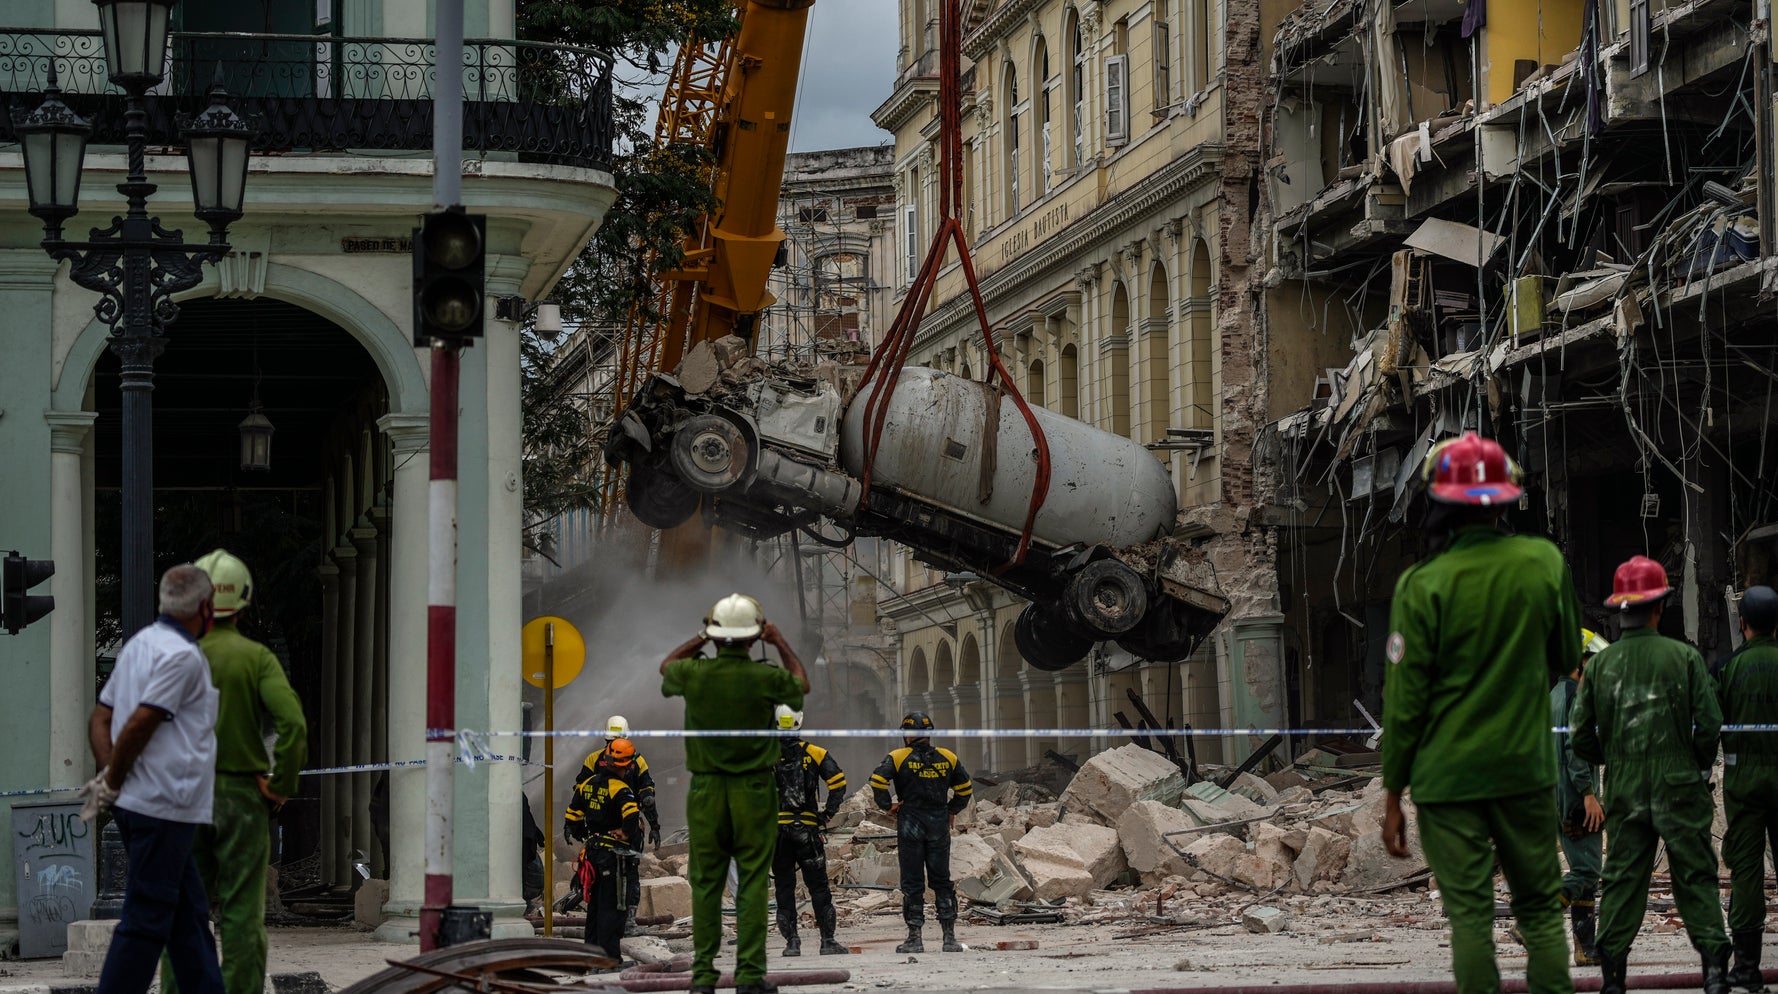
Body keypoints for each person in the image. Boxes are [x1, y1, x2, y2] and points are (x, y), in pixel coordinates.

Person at [1380, 432, 1580, 994]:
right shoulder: (1543, 562)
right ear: (1507, 497)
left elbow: (1404, 704)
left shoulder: (1420, 586)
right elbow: (1567, 658)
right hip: (1524, 772)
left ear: (1437, 502)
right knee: (1540, 911)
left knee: (1469, 919)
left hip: (1448, 782)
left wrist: (1393, 794)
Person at [1570, 555, 1731, 994]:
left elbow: (1580, 738)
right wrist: (1696, 764)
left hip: (1625, 787)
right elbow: (1711, 723)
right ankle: (1715, 974)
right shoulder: (1684, 658)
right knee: (1695, 874)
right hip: (1680, 783)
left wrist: (1614, 757)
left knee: (1623, 878)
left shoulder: (1600, 667)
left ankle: (1613, 979)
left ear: (1620, 611)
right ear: (1660, 606)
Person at [157, 550, 308, 994]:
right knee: (243, 913)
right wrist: (279, 787)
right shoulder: (256, 658)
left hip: (183, 797)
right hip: (242, 798)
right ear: (243, 602)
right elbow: (293, 726)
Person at [80, 565, 225, 994]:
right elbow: (141, 722)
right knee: (146, 921)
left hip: (141, 806)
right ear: (204, 608)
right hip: (164, 806)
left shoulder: (139, 645)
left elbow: (101, 718)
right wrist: (115, 780)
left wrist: (112, 779)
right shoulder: (182, 657)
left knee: (190, 921)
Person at [659, 593, 810, 994]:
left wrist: (700, 637)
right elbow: (800, 685)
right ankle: (748, 975)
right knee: (754, 882)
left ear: (715, 634)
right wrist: (778, 642)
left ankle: (704, 976)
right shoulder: (765, 677)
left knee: (707, 884)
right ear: (755, 635)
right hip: (754, 790)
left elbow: (666, 668)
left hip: (706, 790)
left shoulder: (696, 674)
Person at [1715, 584, 1778, 990]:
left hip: (1744, 786)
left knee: (1748, 873)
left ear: (1742, 622)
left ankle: (1747, 968)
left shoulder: (1727, 669)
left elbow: (1706, 726)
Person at [869, 711, 973, 955]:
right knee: (941, 880)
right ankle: (949, 939)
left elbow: (877, 782)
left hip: (910, 824)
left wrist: (888, 806)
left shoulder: (897, 757)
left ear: (906, 734)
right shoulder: (947, 756)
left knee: (913, 882)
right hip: (938, 824)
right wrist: (951, 810)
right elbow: (965, 788)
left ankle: (915, 938)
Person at [770, 705, 849, 957]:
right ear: (799, 722)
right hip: (807, 831)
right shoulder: (815, 753)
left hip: (778, 834)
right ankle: (827, 942)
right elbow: (838, 783)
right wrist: (826, 815)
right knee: (818, 887)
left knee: (784, 887)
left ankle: (792, 943)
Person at [575, 715, 664, 934]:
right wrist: (654, 824)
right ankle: (625, 923)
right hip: (627, 829)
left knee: (604, 875)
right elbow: (647, 796)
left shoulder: (594, 760)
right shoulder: (635, 760)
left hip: (603, 831)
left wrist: (575, 825)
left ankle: (606, 924)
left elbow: (579, 794)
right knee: (627, 873)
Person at [563, 743, 646, 962]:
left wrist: (587, 835)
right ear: (626, 765)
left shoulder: (587, 784)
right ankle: (609, 960)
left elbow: (572, 817)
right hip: (613, 858)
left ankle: (590, 956)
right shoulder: (621, 790)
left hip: (592, 854)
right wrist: (626, 834)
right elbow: (631, 818)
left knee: (595, 906)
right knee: (614, 907)